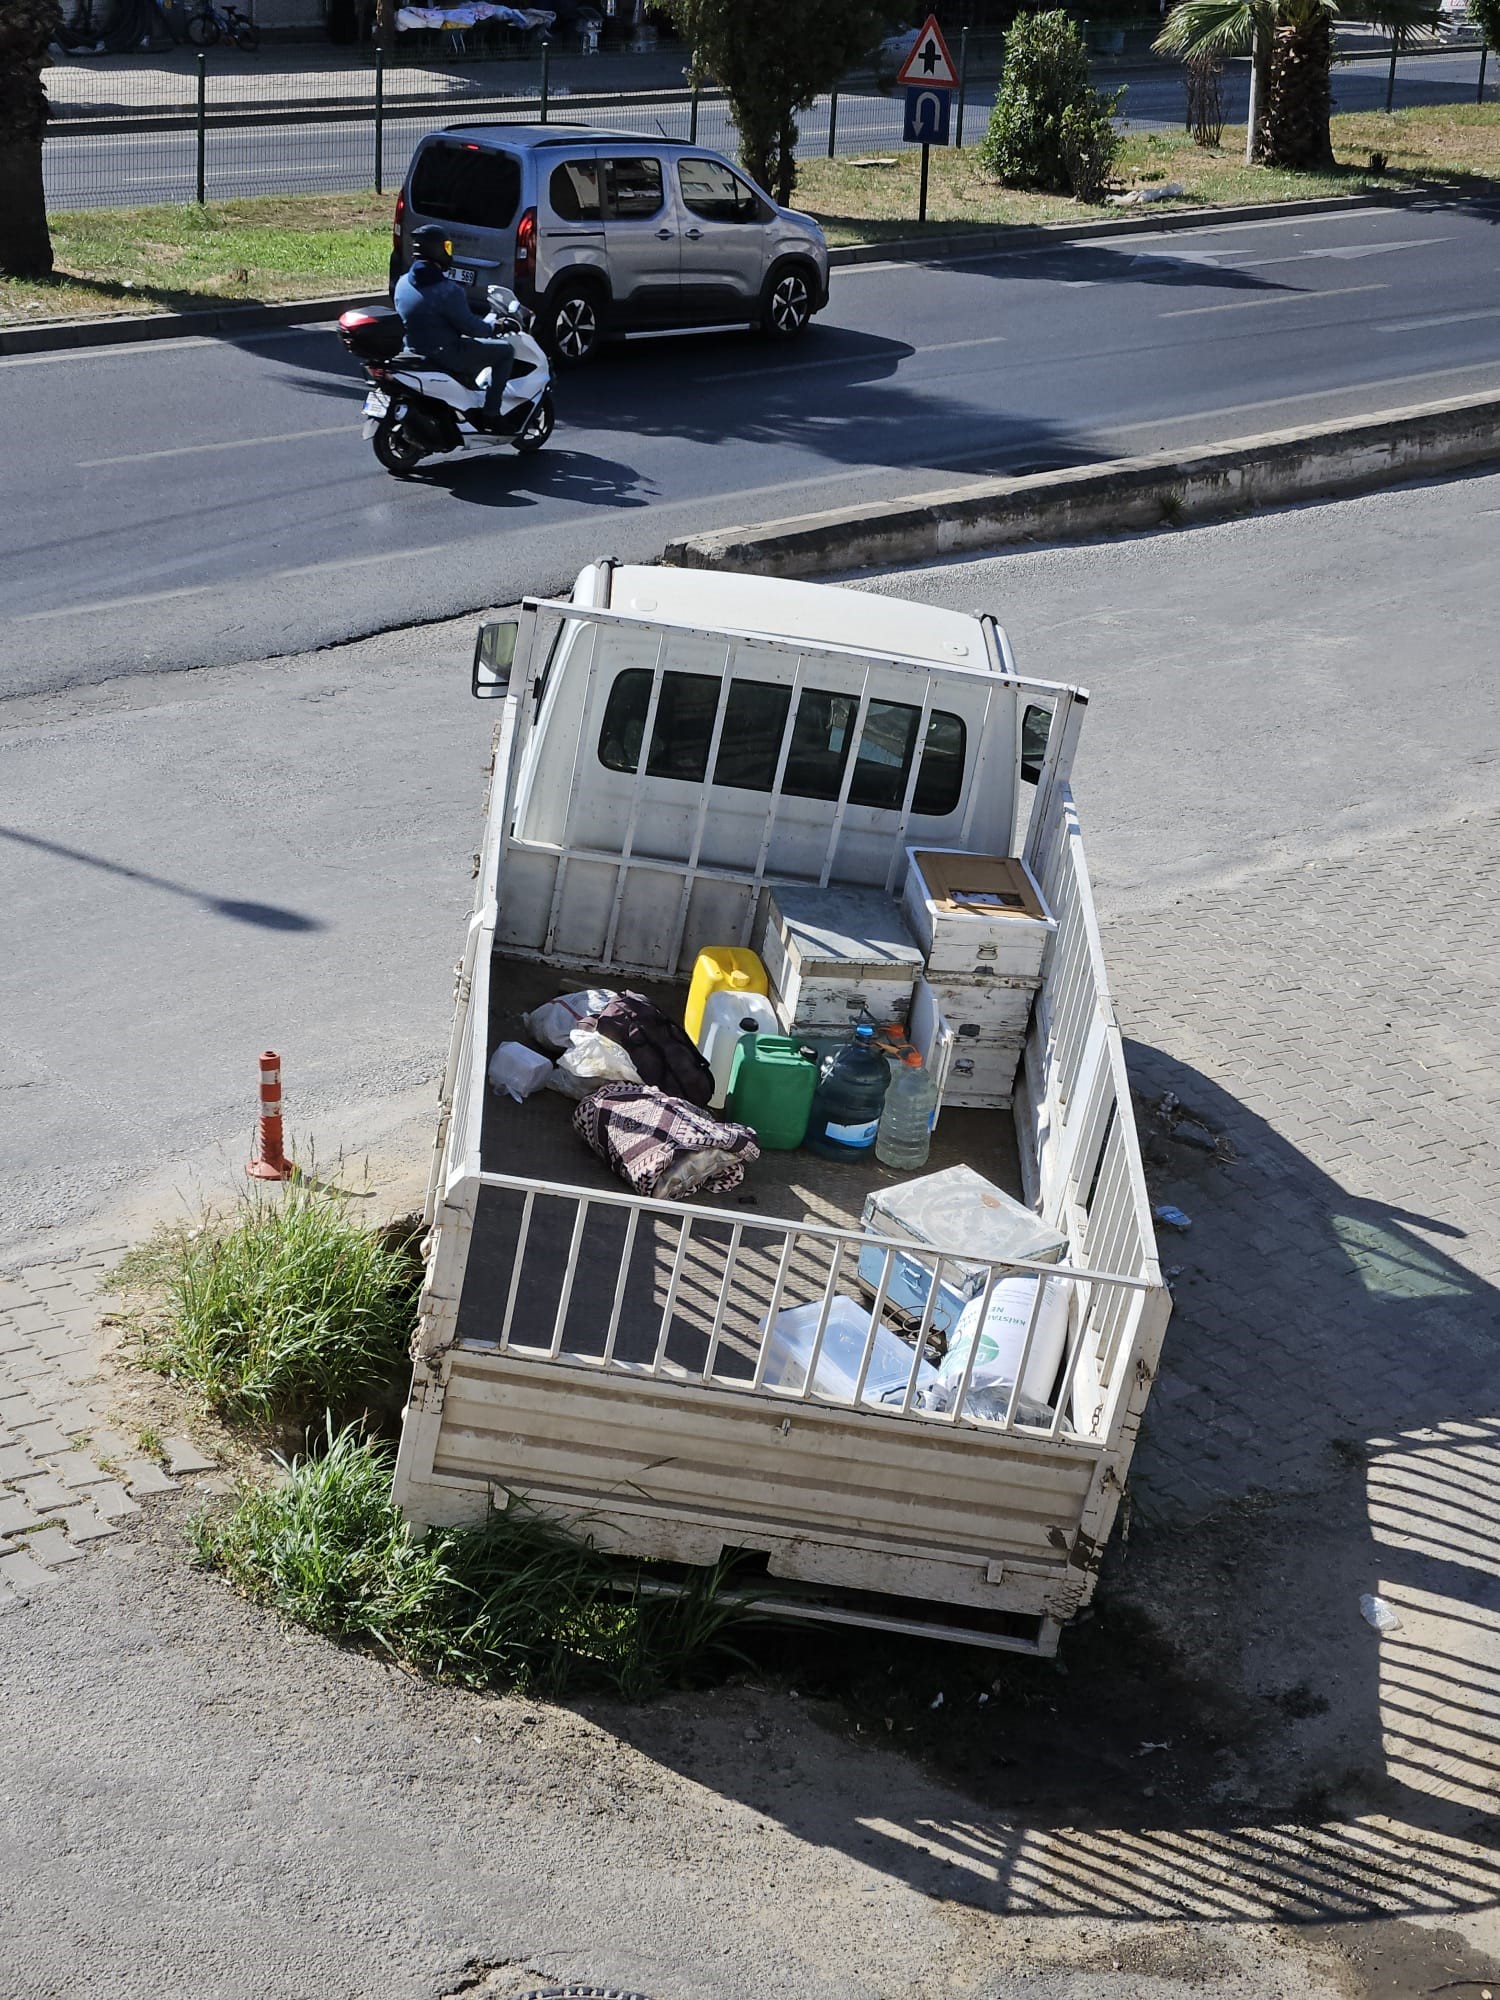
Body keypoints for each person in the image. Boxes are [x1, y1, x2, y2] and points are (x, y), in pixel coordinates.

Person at [393, 224, 514, 427]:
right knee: (505, 352)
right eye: (447, 247)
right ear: (437, 250)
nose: (450, 252)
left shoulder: (402, 282)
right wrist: (496, 328)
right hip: (446, 354)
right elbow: (471, 328)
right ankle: (492, 414)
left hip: (412, 349)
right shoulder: (448, 290)